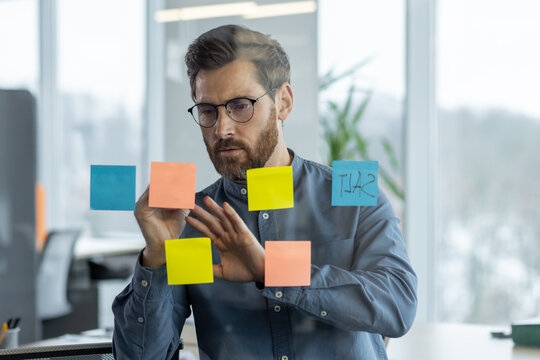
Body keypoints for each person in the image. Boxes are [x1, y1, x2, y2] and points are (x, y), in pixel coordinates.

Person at [112, 24, 417, 360]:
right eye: (208, 110)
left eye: (241, 105)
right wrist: (156, 257)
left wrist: (270, 269)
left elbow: (397, 306)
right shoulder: (192, 220)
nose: (221, 129)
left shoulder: (353, 193)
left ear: (283, 102)